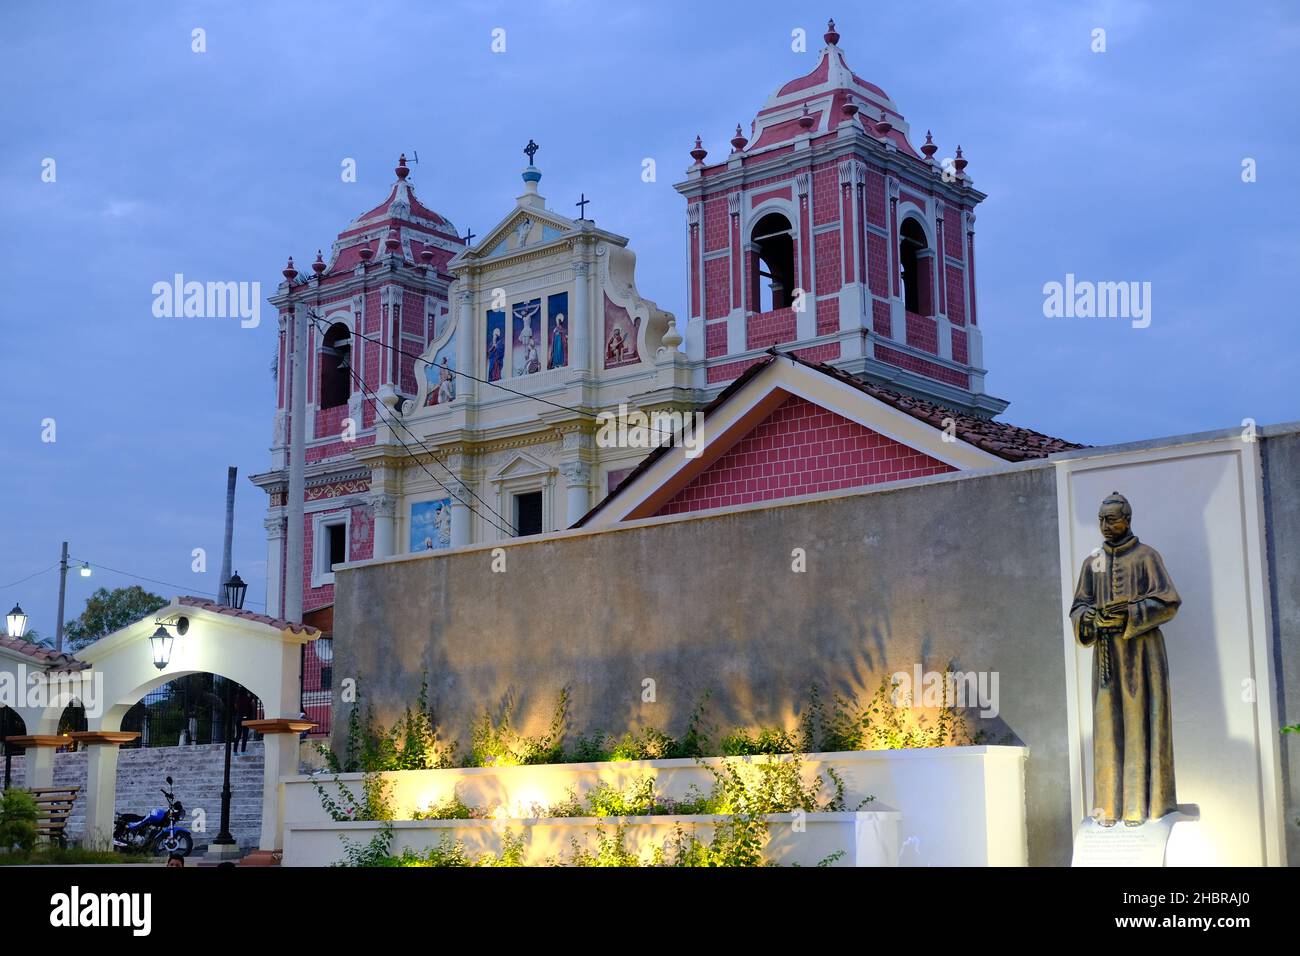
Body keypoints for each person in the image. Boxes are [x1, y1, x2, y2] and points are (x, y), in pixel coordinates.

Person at [1070, 492, 1181, 826]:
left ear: (1127, 520)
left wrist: (1129, 616)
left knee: (1139, 722)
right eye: (1101, 519)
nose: (1104, 526)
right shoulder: (1092, 562)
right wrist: (1091, 618)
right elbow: (1078, 607)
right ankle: (1109, 807)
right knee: (1107, 725)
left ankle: (1139, 806)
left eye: (1111, 519)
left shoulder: (1147, 557)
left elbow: (1169, 602)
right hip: (1105, 656)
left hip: (1141, 655)